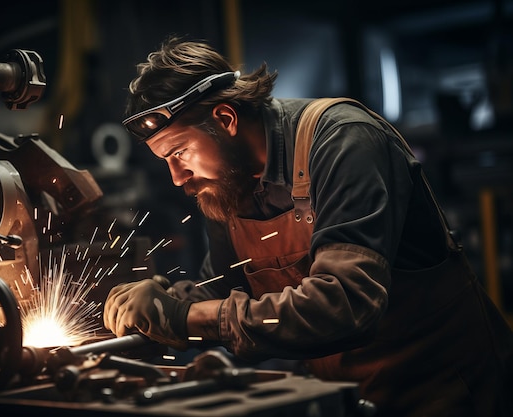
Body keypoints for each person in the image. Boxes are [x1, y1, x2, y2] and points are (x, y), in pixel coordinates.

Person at [103, 36, 513, 416]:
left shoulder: (342, 141)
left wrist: (184, 318)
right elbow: (230, 290)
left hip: (449, 390)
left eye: (181, 152)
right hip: (351, 398)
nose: (178, 177)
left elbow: (348, 304)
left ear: (225, 118)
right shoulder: (225, 186)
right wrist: (166, 301)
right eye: (166, 161)